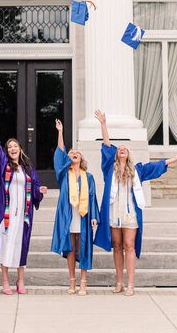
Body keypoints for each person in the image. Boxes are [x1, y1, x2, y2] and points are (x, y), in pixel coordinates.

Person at [93, 109, 177, 296]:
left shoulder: (137, 171)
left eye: (124, 149)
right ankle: (119, 282)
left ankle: (131, 284)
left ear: (128, 154)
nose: (121, 149)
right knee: (117, 247)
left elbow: (155, 166)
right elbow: (106, 145)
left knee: (130, 246)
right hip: (113, 214)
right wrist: (103, 124)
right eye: (119, 148)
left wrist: (174, 159)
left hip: (130, 215)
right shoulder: (108, 169)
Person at [0, 113, 47, 294]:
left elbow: (36, 188)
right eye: (9, 147)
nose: (12, 148)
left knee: (21, 246)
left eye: (15, 146)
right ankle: (5, 282)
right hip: (6, 214)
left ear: (20, 149)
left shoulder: (28, 168)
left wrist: (40, 192)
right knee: (6, 245)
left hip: (23, 216)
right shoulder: (3, 164)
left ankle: (21, 281)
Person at [51, 119, 99, 295]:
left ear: (82, 158)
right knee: (70, 249)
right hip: (68, 215)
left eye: (77, 152)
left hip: (84, 216)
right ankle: (72, 282)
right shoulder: (64, 174)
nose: (74, 153)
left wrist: (95, 216)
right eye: (72, 152)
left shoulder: (89, 177)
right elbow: (60, 153)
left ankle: (83, 283)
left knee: (84, 248)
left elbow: (93, 198)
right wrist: (60, 132)